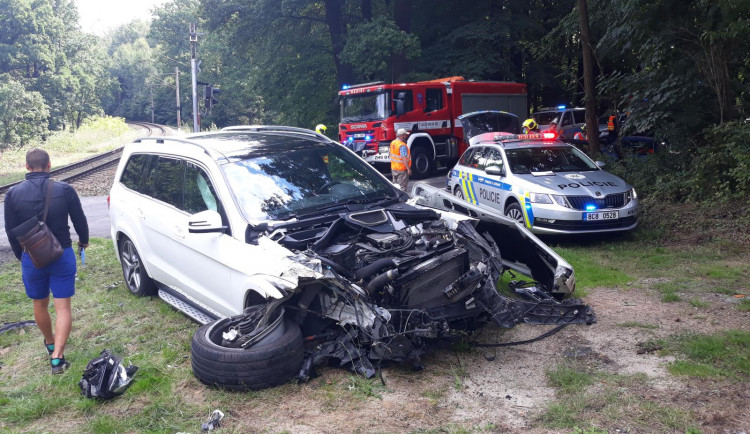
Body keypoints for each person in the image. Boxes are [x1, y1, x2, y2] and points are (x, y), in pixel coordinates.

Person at [3, 148, 89, 374]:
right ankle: (57, 357)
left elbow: (11, 231)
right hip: (62, 254)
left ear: (27, 167)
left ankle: (50, 342)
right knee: (63, 307)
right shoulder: (65, 190)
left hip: (31, 257)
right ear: (49, 165)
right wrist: (84, 240)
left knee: (39, 304)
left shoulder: (12, 194)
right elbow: (79, 219)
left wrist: (21, 255)